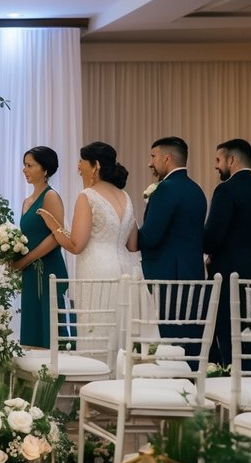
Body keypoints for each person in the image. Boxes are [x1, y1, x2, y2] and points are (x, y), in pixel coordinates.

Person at [38, 141, 141, 351]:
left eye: (82, 160)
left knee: (97, 330)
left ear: (96, 166)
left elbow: (76, 245)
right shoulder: (125, 196)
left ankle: (97, 368)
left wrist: (54, 226)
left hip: (97, 271)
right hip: (126, 271)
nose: (78, 165)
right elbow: (133, 245)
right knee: (121, 331)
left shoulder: (88, 196)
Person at [203, 139, 251, 367]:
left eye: (218, 160)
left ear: (232, 159)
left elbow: (213, 237)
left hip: (230, 277)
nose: (216, 166)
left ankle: (232, 382)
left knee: (230, 340)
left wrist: (203, 247)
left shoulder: (226, 190)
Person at [137, 136, 207, 357]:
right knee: (190, 336)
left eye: (153, 157)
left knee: (172, 340)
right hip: (193, 273)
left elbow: (150, 237)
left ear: (167, 158)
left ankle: (175, 375)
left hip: (168, 277)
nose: (150, 163)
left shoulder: (165, 189)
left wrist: (131, 230)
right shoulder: (197, 190)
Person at [13, 146, 69, 347]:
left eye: (30, 165)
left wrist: (26, 260)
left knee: (50, 326)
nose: (24, 169)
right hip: (30, 271)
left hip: (49, 269)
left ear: (45, 170)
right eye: (24, 165)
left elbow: (56, 236)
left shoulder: (50, 196)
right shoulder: (26, 201)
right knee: (33, 324)